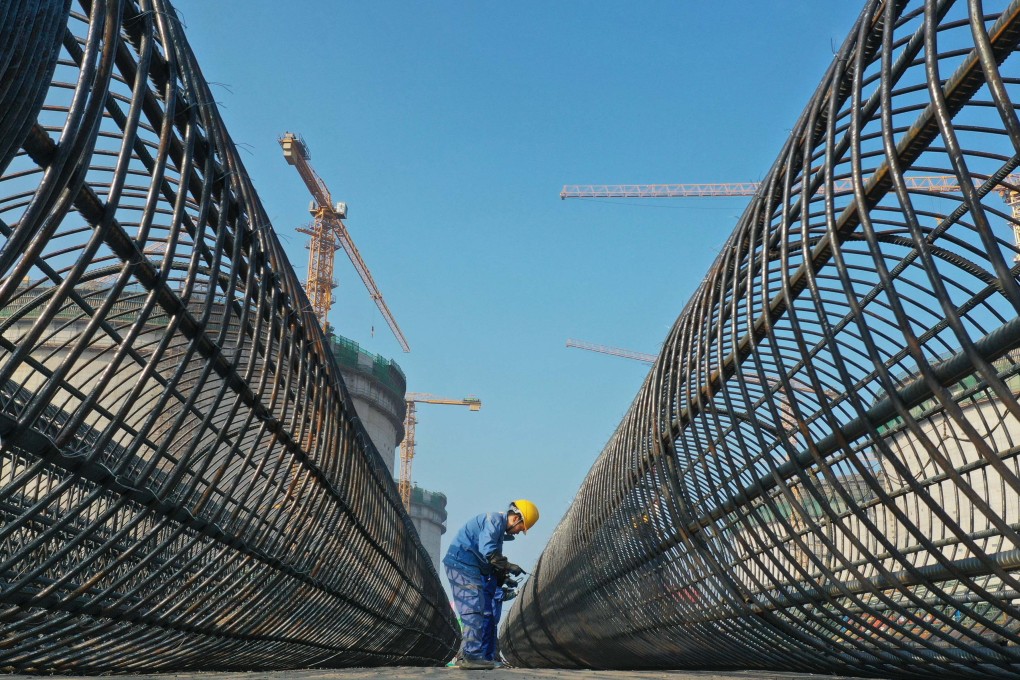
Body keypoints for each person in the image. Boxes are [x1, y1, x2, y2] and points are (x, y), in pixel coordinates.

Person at [442, 499, 539, 670]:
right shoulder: (494, 520)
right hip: (461, 564)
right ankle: (470, 656)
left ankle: (470, 655)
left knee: (477, 607)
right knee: (473, 607)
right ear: (517, 518)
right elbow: (489, 552)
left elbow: (491, 563)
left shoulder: (498, 531)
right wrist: (509, 566)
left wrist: (504, 576)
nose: (518, 533)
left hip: (468, 566)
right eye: (520, 528)